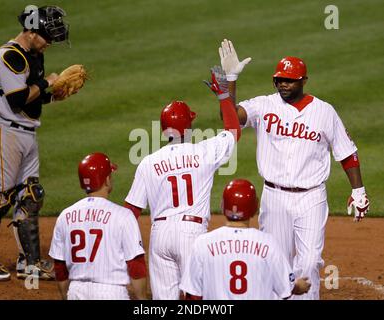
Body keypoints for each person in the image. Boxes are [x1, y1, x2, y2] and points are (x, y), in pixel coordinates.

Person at [215, 39, 370, 299]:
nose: (284, 84)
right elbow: (229, 119)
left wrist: (359, 190)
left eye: (290, 80)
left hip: (311, 198)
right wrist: (230, 80)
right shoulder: (265, 105)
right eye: (279, 80)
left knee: (308, 262)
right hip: (274, 197)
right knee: (274, 260)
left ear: (303, 80)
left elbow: (346, 152)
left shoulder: (324, 111)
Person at [124, 67, 242, 299]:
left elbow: (131, 211)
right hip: (191, 232)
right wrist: (223, 95)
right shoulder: (204, 152)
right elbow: (233, 131)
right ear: (189, 124)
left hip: (159, 235)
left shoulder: (148, 162)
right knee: (196, 297)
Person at [0, 5, 71, 281]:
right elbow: (18, 99)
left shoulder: (34, 55)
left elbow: (34, 96)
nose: (49, 43)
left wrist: (53, 95)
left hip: (26, 132)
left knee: (31, 195)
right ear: (32, 32)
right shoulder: (10, 57)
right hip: (4, 133)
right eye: (47, 37)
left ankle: (29, 263)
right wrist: (47, 83)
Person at [180, 179, 311, 300]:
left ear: (222, 206)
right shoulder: (268, 244)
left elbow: (193, 296)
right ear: (255, 208)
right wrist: (298, 286)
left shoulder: (202, 244)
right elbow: (286, 289)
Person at [49, 153, 147, 300]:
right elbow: (136, 266)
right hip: (111, 293)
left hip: (76, 291)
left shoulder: (65, 216)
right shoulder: (124, 216)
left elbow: (60, 266)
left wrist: (66, 296)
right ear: (106, 180)